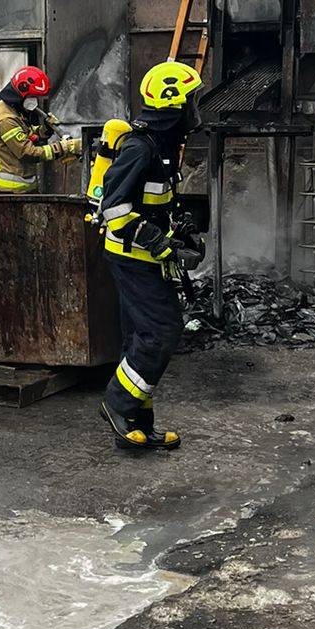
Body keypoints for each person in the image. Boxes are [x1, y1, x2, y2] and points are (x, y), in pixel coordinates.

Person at [97, 61, 204, 451]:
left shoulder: (162, 149)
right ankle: (117, 402)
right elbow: (114, 209)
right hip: (130, 258)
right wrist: (161, 243)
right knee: (162, 331)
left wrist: (183, 229)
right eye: (192, 100)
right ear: (174, 105)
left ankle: (138, 423)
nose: (197, 108)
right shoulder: (139, 150)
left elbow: (157, 205)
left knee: (139, 337)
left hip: (146, 258)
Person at [0, 65, 81, 191]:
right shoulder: (6, 120)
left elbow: (26, 135)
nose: (35, 102)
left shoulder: (13, 109)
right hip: (11, 192)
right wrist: (65, 147)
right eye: (33, 97)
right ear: (21, 92)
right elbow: (28, 153)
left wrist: (44, 130)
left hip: (22, 187)